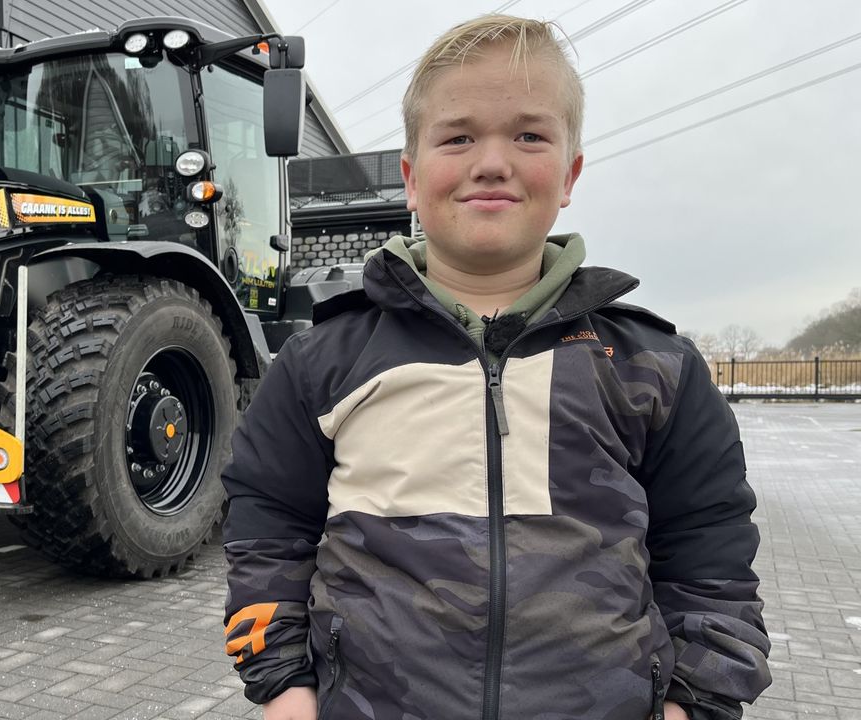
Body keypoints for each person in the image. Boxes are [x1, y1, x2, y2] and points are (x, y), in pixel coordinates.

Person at [221, 14, 772, 720]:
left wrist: (695, 702)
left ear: (568, 174)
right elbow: (266, 525)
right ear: (412, 180)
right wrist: (285, 688)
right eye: (458, 136)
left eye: (529, 135)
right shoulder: (321, 360)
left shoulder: (655, 369)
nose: (491, 161)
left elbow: (711, 556)